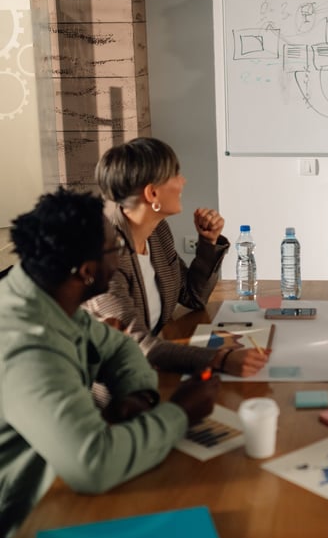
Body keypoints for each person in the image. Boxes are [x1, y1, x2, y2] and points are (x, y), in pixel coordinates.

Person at [0, 187, 220, 538]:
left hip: (59, 487)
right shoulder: (28, 347)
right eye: (114, 249)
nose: (121, 257)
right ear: (87, 271)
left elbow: (118, 348)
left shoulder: (44, 292)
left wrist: (136, 394)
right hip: (24, 530)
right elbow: (94, 464)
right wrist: (181, 411)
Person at [87, 137, 268, 376]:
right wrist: (220, 358)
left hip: (161, 364)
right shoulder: (105, 256)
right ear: (152, 193)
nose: (183, 181)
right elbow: (136, 344)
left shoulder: (157, 232)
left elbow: (193, 296)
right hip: (122, 386)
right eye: (176, 175)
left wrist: (208, 241)